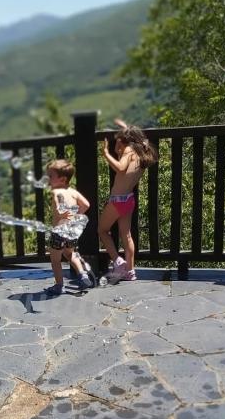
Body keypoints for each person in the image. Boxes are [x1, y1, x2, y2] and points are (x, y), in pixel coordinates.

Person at [99, 119, 157, 283]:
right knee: (127, 235)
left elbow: (120, 168)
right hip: (129, 199)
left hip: (117, 201)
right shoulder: (141, 150)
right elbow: (134, 138)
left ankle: (118, 262)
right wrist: (124, 127)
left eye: (119, 139)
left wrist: (106, 153)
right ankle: (130, 271)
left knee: (102, 230)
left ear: (126, 140)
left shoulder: (129, 151)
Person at [44, 159, 92, 294]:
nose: (48, 179)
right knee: (70, 254)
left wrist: (60, 213)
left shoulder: (56, 192)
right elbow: (86, 205)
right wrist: (76, 214)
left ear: (62, 179)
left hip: (59, 231)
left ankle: (59, 286)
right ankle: (83, 275)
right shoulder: (73, 192)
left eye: (51, 176)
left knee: (55, 260)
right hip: (72, 230)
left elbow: (59, 206)